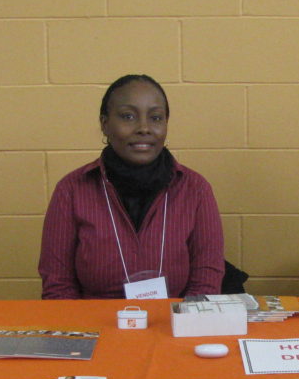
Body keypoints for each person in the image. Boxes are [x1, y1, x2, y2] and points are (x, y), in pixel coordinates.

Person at [39, 74, 224, 299]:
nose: (144, 128)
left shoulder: (195, 190)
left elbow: (206, 282)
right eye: (128, 116)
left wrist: (178, 327)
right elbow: (58, 285)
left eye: (156, 118)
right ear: (105, 124)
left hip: (175, 326)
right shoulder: (72, 190)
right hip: (95, 328)